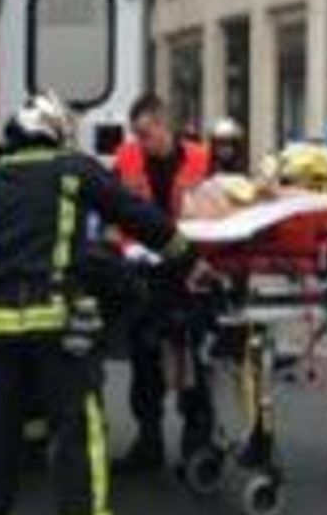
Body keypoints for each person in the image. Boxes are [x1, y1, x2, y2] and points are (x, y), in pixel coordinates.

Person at [0, 91, 202, 515]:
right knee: (77, 436)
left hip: (0, 337)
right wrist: (187, 257)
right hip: (59, 333)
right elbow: (135, 214)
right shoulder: (73, 170)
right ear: (56, 132)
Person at [112, 93, 214, 472]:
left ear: (164, 125)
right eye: (137, 135)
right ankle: (149, 440)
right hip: (146, 273)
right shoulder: (126, 159)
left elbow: (219, 212)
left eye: (146, 134)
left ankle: (196, 443)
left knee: (196, 358)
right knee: (144, 356)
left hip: (190, 272)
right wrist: (126, 250)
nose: (142, 142)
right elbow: (112, 214)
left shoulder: (202, 159)